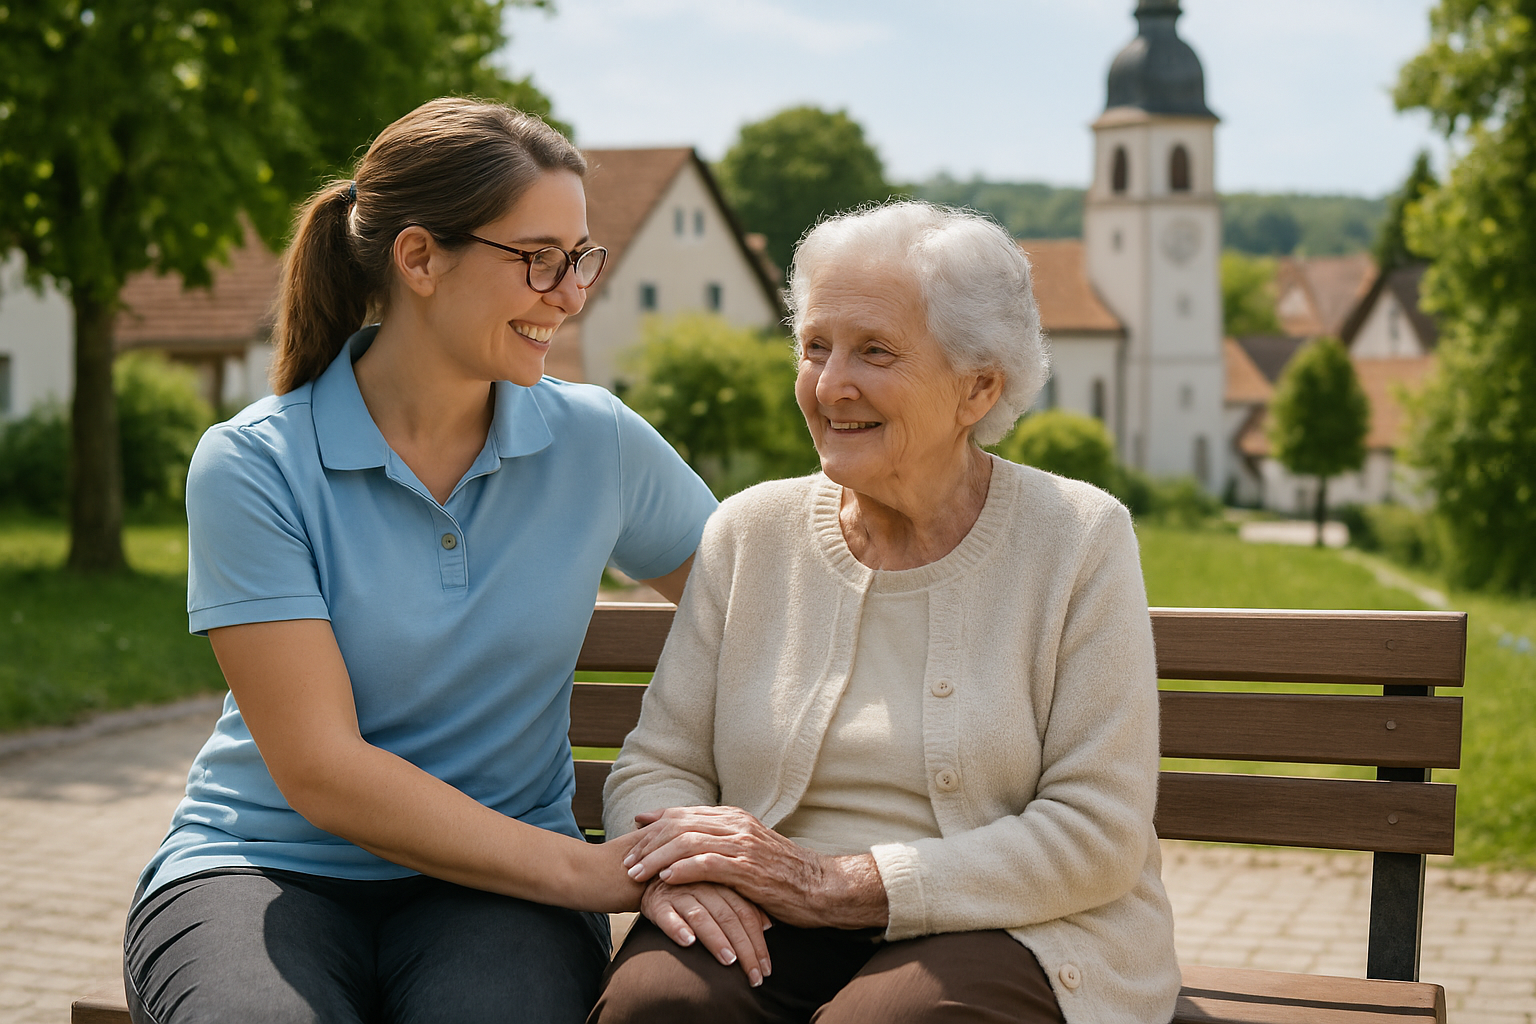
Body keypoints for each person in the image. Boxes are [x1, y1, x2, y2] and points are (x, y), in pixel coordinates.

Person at [122, 97, 738, 1024]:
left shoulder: (598, 442)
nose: (570, 295)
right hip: (263, 868)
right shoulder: (254, 464)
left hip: (506, 889)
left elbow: (762, 610)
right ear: (418, 258)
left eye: (579, 259)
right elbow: (322, 769)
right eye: (538, 259)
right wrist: (592, 871)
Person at [591, 201, 1182, 1024]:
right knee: (656, 1005)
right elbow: (658, 764)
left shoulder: (1079, 537)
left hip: (1008, 923)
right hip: (769, 910)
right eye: (815, 347)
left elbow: (1099, 830)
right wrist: (680, 868)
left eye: (875, 351)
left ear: (978, 387)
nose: (831, 385)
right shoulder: (748, 531)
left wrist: (839, 884)